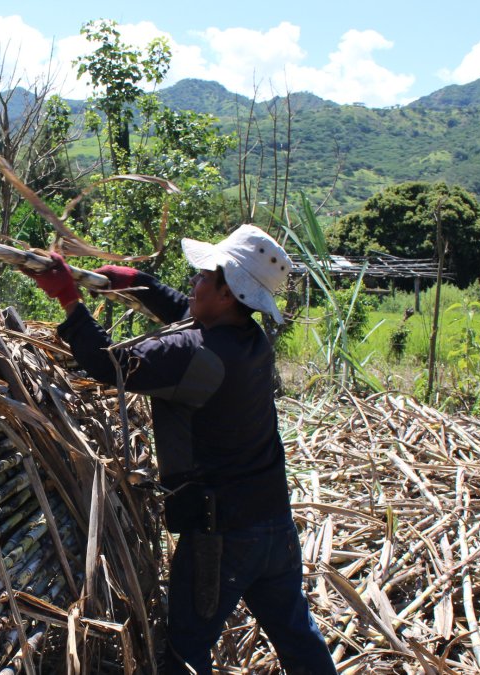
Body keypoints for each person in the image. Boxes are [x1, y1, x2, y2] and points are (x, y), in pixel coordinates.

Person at [26, 225, 336, 675]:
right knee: (297, 636)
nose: (194, 282)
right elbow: (188, 314)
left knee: (187, 653)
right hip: (273, 524)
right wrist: (139, 282)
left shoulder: (193, 353)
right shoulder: (250, 341)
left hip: (222, 533)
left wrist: (70, 301)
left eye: (203, 277)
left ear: (229, 293)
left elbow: (110, 362)